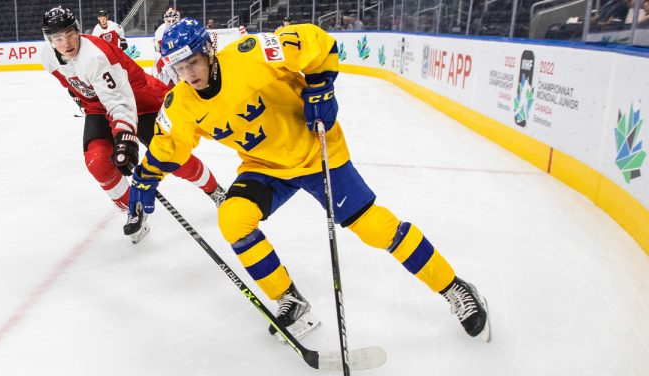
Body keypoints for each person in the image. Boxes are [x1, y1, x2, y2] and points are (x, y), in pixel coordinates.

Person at [129, 18, 491, 342]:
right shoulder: (180, 102)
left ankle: (454, 288)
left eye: (193, 62)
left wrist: (321, 83)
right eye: (179, 66)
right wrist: (146, 176)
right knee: (233, 218)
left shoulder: (251, 53)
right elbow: (169, 144)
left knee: (375, 229)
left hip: (315, 154)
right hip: (265, 166)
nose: (188, 73)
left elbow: (313, 41)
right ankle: (289, 299)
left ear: (209, 52)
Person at [40, 6, 225, 244]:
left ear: (77, 31)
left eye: (69, 34)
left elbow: (120, 103)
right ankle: (133, 209)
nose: (65, 42)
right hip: (100, 108)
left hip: (140, 101)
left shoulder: (95, 56)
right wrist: (79, 98)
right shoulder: (48, 57)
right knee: (98, 163)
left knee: (169, 155)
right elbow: (71, 82)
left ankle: (213, 189)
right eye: (57, 38)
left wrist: (124, 140)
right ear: (49, 40)